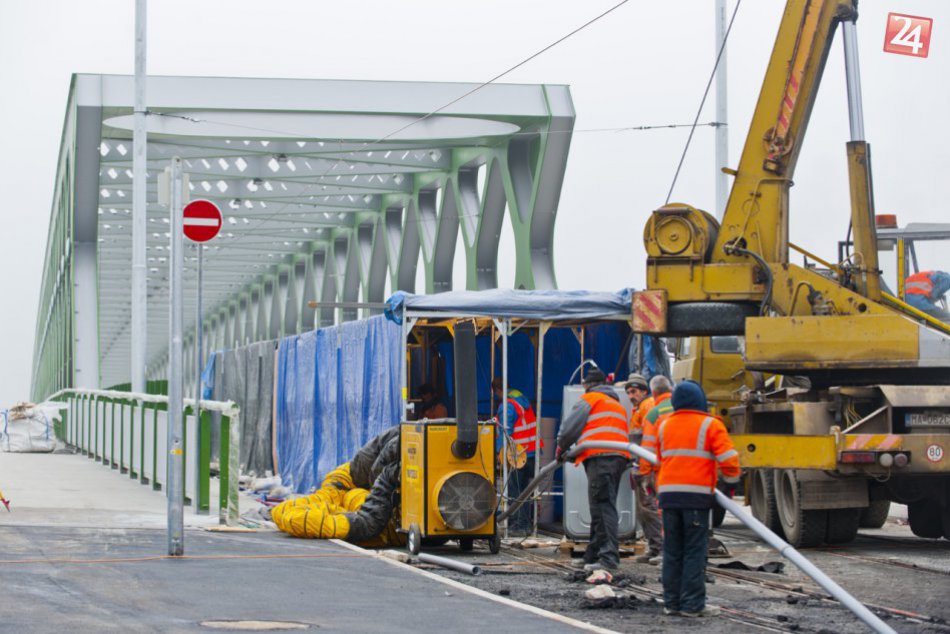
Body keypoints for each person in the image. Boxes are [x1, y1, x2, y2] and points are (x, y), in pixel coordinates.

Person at [656, 380, 740, 618]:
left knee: (672, 551)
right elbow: (729, 460)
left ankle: (671, 603)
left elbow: (658, 459)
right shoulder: (710, 424)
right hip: (695, 498)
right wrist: (732, 482)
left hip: (669, 497)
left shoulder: (665, 425)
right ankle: (692, 605)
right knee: (694, 551)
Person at [556, 368, 632, 572]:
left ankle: (609, 558)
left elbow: (569, 428)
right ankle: (593, 555)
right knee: (600, 508)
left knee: (603, 507)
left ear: (588, 385)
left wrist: (561, 447)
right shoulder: (615, 404)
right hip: (617, 459)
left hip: (601, 458)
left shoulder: (590, 399)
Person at [491, 377, 543, 534]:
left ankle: (520, 526)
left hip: (518, 456)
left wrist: (499, 452)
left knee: (516, 491)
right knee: (526, 491)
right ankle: (523, 523)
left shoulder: (507, 405)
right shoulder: (522, 401)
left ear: (497, 391)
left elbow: (505, 431)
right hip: (532, 453)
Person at [630, 374, 670, 564]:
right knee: (647, 511)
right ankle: (656, 548)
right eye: (628, 392)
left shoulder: (649, 407)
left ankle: (660, 548)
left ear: (646, 391)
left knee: (651, 510)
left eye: (634, 391)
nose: (631, 395)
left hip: (651, 468)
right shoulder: (641, 409)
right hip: (653, 466)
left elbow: (647, 443)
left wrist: (644, 472)